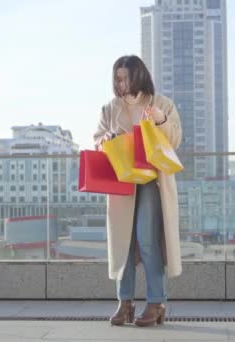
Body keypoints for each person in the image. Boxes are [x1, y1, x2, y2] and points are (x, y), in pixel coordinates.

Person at [93, 55, 183, 327]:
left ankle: (156, 303)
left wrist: (160, 119)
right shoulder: (110, 108)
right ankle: (125, 302)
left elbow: (175, 139)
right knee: (124, 241)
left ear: (137, 76)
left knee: (147, 238)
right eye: (117, 78)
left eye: (124, 77)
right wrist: (105, 140)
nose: (120, 83)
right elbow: (97, 139)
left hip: (152, 179)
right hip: (122, 179)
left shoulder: (161, 103)